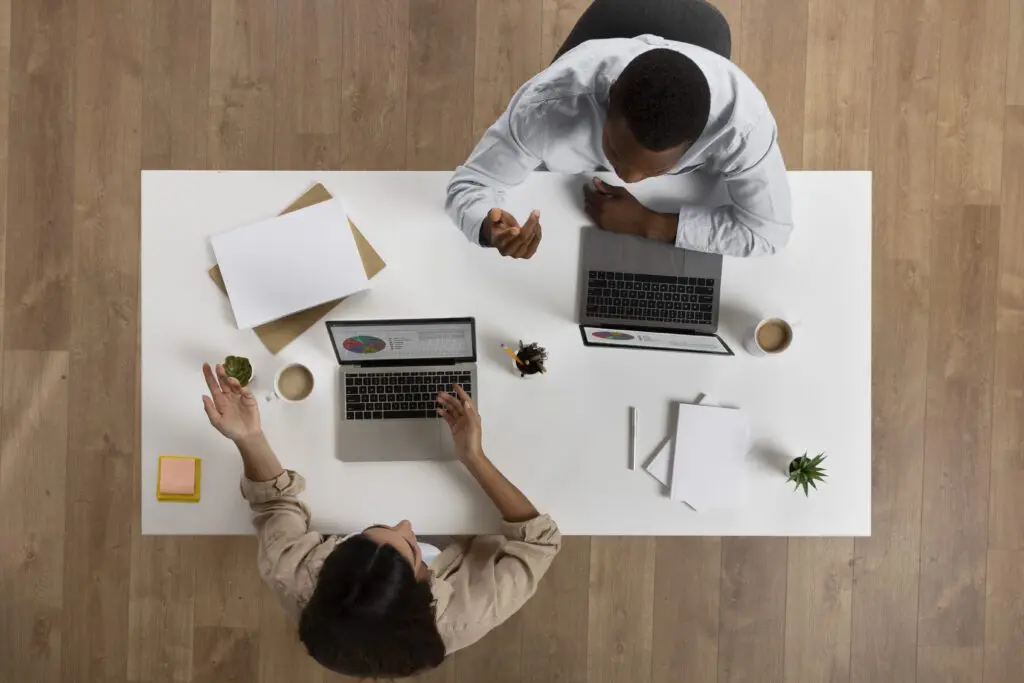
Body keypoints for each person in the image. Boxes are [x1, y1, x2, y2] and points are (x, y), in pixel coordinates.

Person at [200, 363, 561, 678]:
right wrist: (474, 456)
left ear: (331, 561)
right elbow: (540, 542)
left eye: (373, 532)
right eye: (409, 545)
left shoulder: (290, 572)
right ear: (424, 578)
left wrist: (248, 437)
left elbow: (274, 503)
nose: (406, 522)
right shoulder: (466, 616)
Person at [445, 0, 792, 260]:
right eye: (615, 151)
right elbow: (472, 184)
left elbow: (770, 233)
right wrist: (489, 229)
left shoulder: (742, 126)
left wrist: (650, 224)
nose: (627, 178)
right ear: (608, 98)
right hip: (562, 197)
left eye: (657, 169)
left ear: (700, 138)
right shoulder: (548, 104)